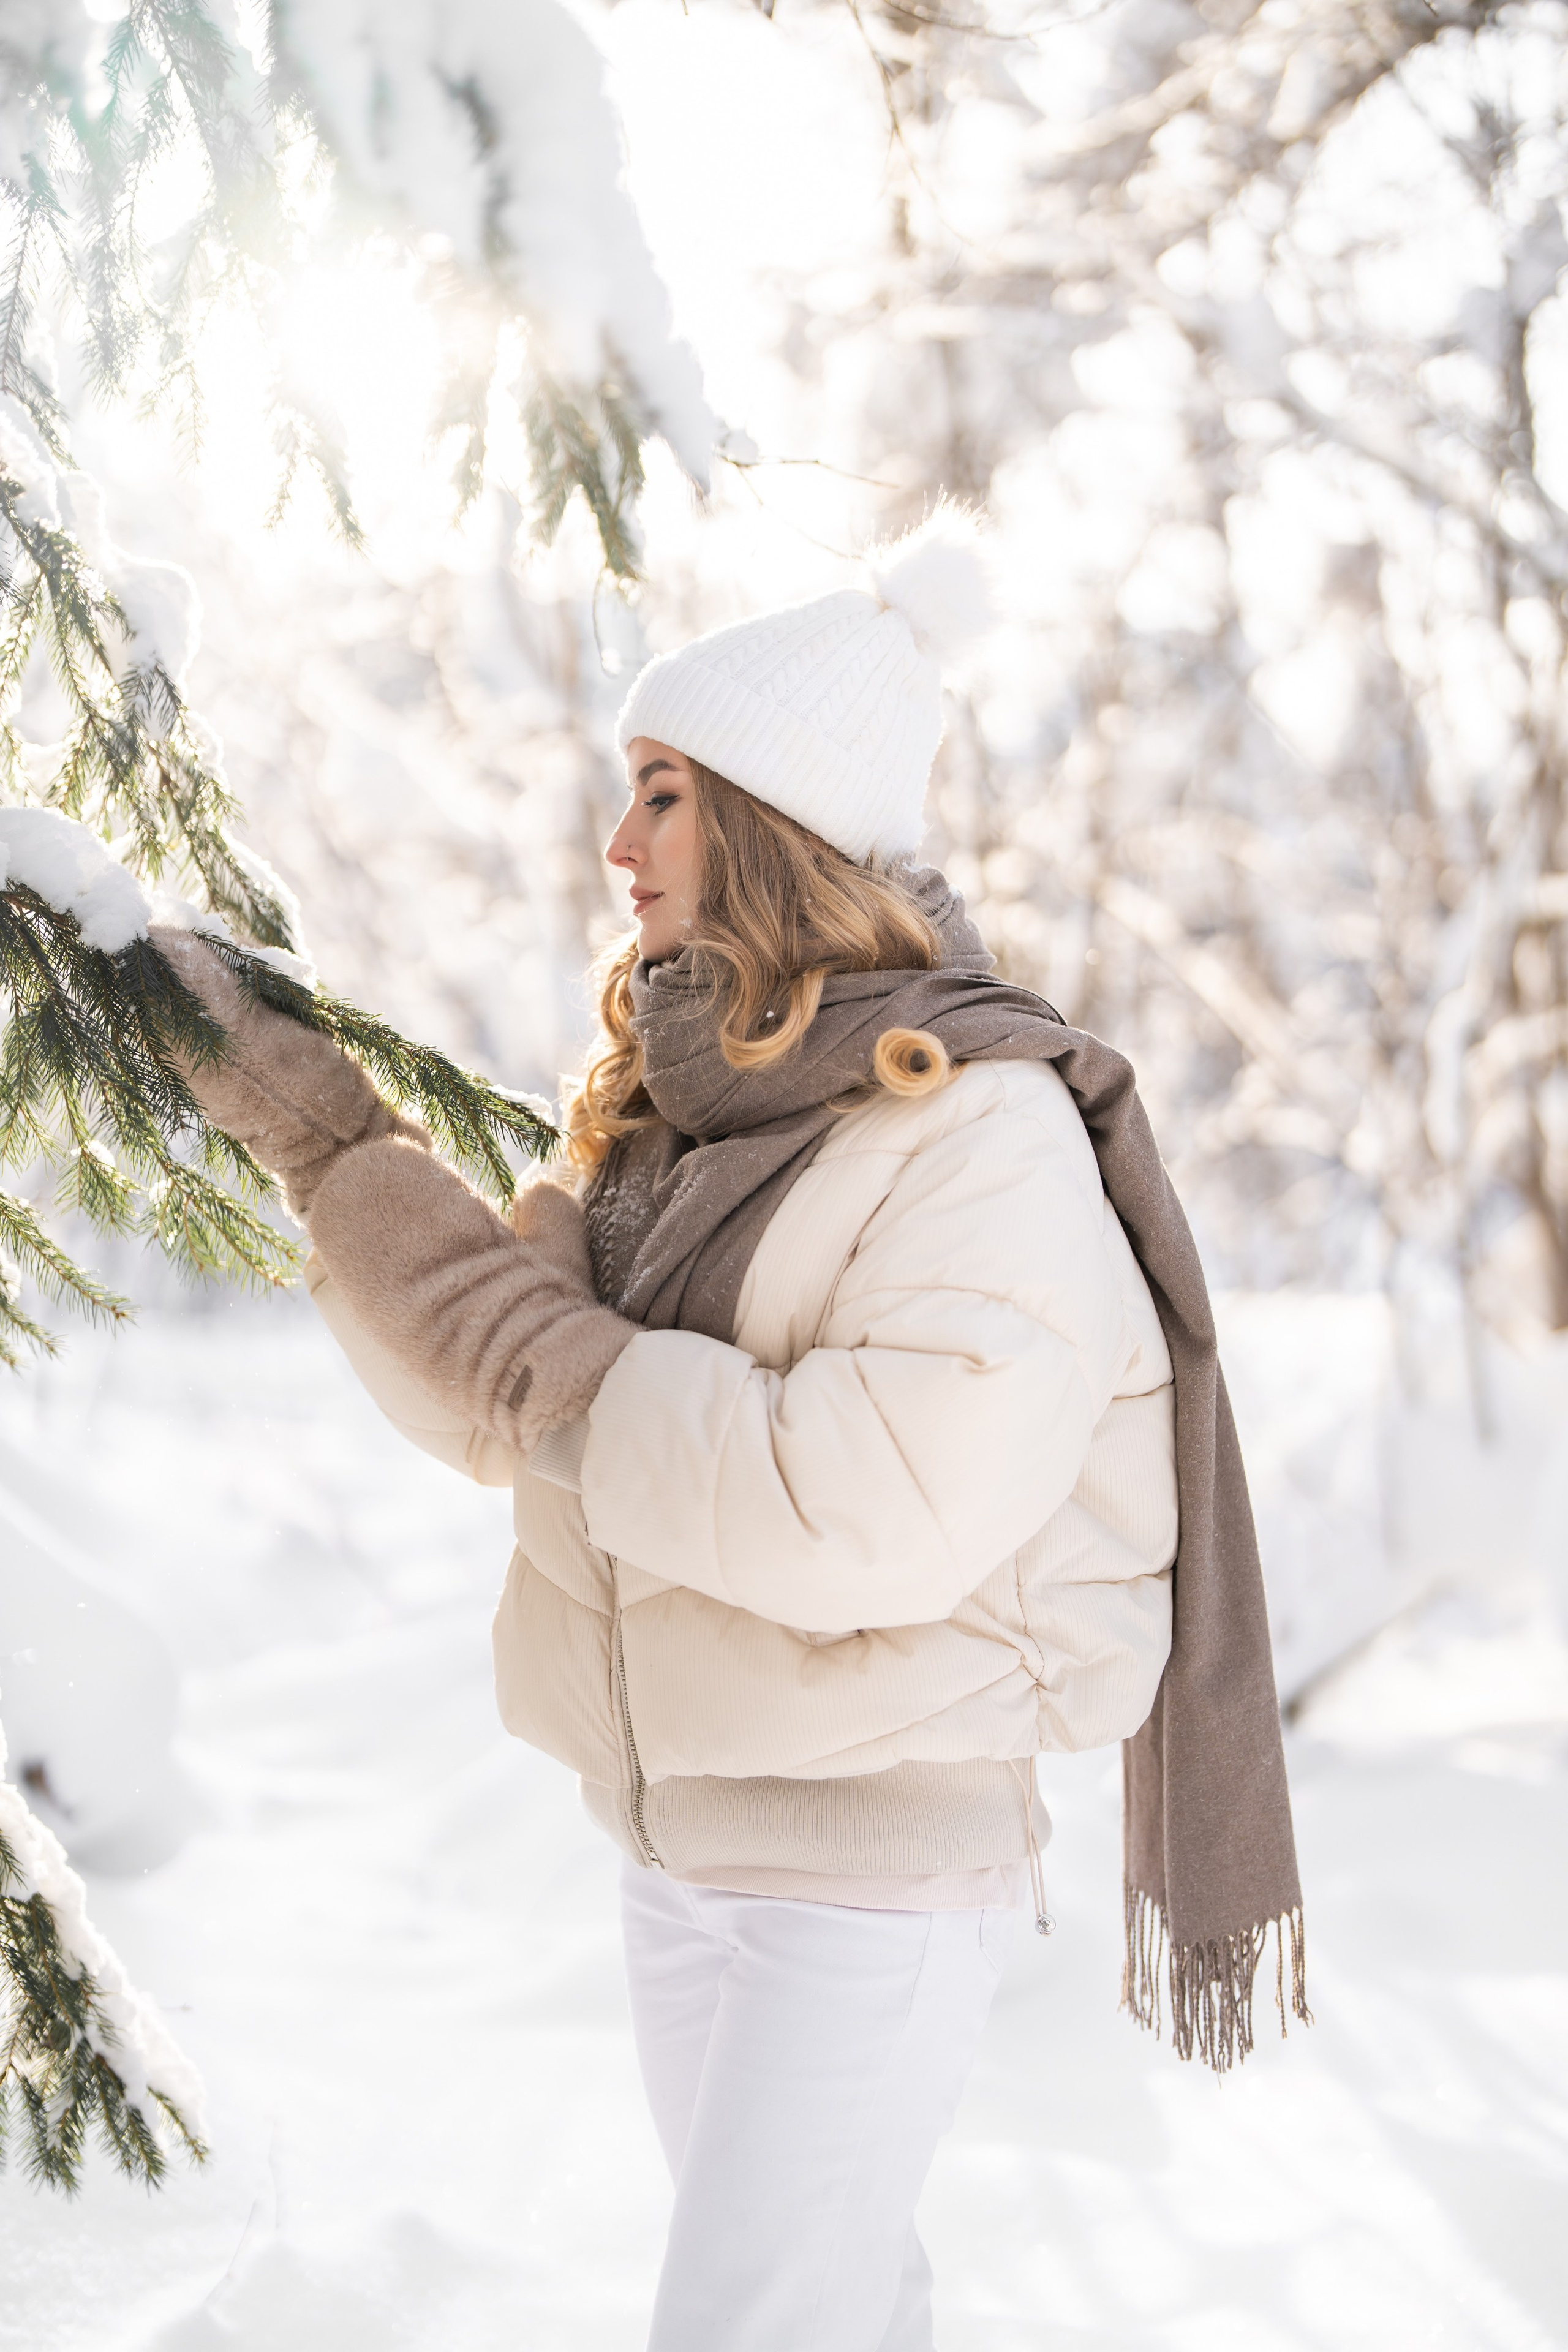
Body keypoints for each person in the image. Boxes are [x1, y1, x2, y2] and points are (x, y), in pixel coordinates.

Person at [157, 510, 1303, 2352]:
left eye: (664, 793)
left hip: (872, 1864)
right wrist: (321, 1141)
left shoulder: (976, 1136)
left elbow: (858, 1506)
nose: (620, 845)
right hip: (680, 1841)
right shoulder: (673, 1130)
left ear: (775, 822)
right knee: (834, 2310)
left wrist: (560, 1373)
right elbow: (503, 1402)